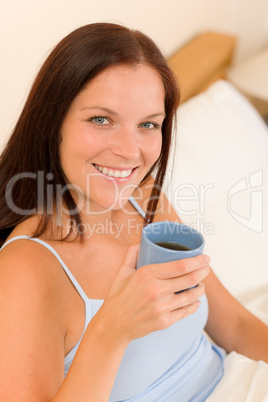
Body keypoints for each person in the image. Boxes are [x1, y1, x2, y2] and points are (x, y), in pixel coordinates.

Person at [0, 23, 267, 402]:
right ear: (52, 121)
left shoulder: (146, 200)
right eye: (101, 119)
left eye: (148, 125)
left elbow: (237, 325)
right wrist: (112, 330)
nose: (130, 150)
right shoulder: (26, 268)